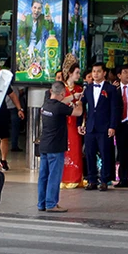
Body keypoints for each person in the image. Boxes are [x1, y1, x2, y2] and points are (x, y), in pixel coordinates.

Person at [38, 81, 83, 212]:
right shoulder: (59, 108)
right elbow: (78, 112)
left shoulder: (46, 104)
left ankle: (42, 203)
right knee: (54, 176)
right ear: (62, 93)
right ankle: (51, 204)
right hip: (56, 147)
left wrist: (73, 96)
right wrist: (80, 102)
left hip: (44, 145)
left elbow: (60, 101)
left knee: (43, 176)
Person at [79, 62, 118, 191]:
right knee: (89, 153)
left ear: (104, 73)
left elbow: (115, 109)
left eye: (98, 71)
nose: (95, 74)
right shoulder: (88, 88)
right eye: (94, 71)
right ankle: (92, 180)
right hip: (90, 127)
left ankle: (105, 180)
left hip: (104, 127)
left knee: (105, 154)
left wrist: (112, 126)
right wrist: (80, 123)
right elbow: (81, 106)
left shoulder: (111, 89)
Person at [0, 62, 25, 170]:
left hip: (2, 112)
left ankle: (3, 160)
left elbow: (13, 96)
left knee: (4, 137)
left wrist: (19, 109)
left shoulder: (4, 84)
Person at [61, 56, 85, 189]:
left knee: (75, 149)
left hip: (75, 122)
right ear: (70, 73)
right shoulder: (61, 89)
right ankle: (63, 177)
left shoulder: (79, 89)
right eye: (76, 73)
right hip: (63, 123)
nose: (78, 75)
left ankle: (75, 177)